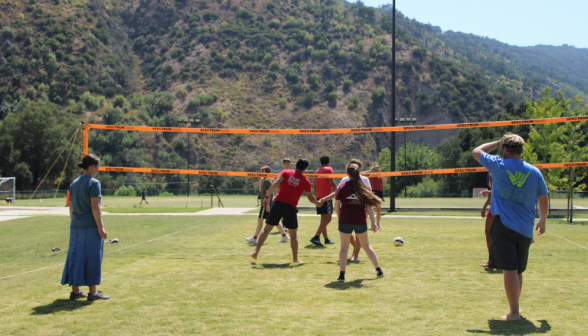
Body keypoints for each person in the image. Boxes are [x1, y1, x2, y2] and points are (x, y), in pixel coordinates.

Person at [472, 133, 548, 321]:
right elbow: (544, 200)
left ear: (505, 149)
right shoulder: (534, 171)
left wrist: (498, 142)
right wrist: (543, 220)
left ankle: (514, 313)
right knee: (518, 270)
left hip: (504, 226)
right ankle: (516, 308)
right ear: (521, 150)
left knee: (509, 270)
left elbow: (477, 151)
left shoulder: (498, 165)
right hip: (525, 229)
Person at [252, 159, 323, 263]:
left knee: (267, 229)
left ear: (296, 165)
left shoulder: (285, 172)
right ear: (305, 169)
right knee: (293, 235)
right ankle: (295, 259)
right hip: (290, 207)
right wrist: (318, 203)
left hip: (278, 204)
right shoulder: (305, 181)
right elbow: (310, 198)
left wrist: (267, 196)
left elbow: (276, 182)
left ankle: (256, 251)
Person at [61, 154, 111, 301]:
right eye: (98, 166)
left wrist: (75, 222)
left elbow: (71, 208)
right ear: (91, 166)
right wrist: (101, 228)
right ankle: (93, 293)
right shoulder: (94, 183)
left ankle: (75, 291)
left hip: (75, 226)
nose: (99, 169)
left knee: (75, 257)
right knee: (92, 258)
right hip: (90, 227)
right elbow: (95, 207)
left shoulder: (74, 183)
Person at [336, 163, 384, 282]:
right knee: (366, 246)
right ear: (358, 174)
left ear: (347, 174)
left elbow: (336, 206)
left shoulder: (343, 186)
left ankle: (342, 275)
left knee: (344, 248)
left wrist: (339, 217)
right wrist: (374, 223)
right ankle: (379, 270)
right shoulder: (365, 187)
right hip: (360, 221)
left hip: (345, 220)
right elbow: (369, 207)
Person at [322, 159, 372, 261]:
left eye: (356, 167)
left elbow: (369, 196)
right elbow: (337, 193)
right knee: (347, 234)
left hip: (360, 212)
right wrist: (326, 198)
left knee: (359, 235)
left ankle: (355, 255)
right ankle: (352, 251)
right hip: (346, 214)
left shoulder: (365, 180)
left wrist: (367, 212)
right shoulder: (345, 180)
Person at [246, 166, 289, 244]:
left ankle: (255, 238)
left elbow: (267, 192)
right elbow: (260, 190)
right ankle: (284, 235)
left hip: (266, 203)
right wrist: (261, 181)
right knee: (274, 221)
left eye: (262, 171)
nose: (261, 173)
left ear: (266, 172)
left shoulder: (267, 180)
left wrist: (267, 205)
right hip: (268, 203)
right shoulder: (266, 180)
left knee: (260, 220)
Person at [310, 156, 338, 247]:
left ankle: (326, 239)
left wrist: (316, 196)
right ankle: (316, 237)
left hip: (318, 197)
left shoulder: (316, 171)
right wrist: (339, 192)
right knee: (328, 218)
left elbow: (315, 186)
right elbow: (332, 183)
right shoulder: (329, 169)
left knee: (323, 220)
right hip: (326, 197)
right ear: (329, 162)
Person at [480, 173, 494, 268]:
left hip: (495, 208)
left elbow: (495, 192)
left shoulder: (492, 174)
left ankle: (491, 260)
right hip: (502, 208)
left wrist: (484, 207)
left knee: (488, 233)